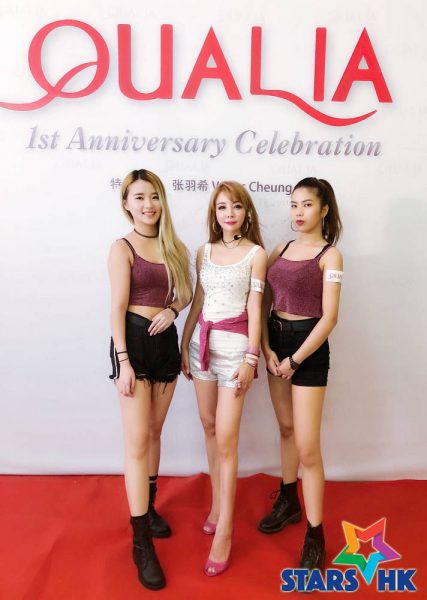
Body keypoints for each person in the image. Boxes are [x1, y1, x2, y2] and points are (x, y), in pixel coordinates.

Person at [108, 169, 192, 590]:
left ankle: (151, 506)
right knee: (138, 441)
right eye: (139, 197)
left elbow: (186, 292)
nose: (148, 204)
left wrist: (173, 310)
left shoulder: (173, 245)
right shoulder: (122, 248)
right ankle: (140, 540)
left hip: (165, 346)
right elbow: (116, 308)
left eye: (154, 196)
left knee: (155, 432)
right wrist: (123, 361)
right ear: (126, 203)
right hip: (134, 347)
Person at [181, 181, 267, 576]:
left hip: (235, 351)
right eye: (221, 207)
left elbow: (255, 306)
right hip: (201, 345)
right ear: (213, 214)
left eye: (235, 206)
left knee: (228, 441)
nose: (228, 213)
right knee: (209, 425)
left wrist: (252, 357)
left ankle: (226, 532)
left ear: (246, 212)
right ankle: (217, 506)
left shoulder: (256, 254)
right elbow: (199, 301)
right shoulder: (203, 251)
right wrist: (184, 342)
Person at [258, 177, 343, 574]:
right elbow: (263, 303)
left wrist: (294, 361)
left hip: (307, 351)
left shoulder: (330, 256)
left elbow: (329, 318)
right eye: (293, 204)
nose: (298, 212)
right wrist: (267, 348)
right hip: (275, 344)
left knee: (308, 447)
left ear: (323, 209)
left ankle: (315, 534)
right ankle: (288, 499)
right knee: (287, 429)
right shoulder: (280, 249)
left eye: (306, 205)